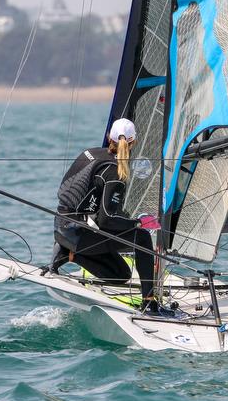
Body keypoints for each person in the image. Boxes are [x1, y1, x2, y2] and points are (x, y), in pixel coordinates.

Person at [50, 118, 162, 312]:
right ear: (133, 142)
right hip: (78, 233)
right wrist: (138, 223)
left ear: (108, 136)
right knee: (142, 238)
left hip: (61, 226)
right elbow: (107, 220)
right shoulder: (115, 172)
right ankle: (149, 301)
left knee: (121, 274)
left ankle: (67, 255)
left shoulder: (90, 153)